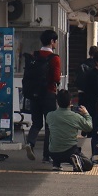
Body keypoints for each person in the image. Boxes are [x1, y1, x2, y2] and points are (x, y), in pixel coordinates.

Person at [24, 29, 62, 161]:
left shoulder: (33, 55)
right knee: (49, 125)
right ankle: (47, 155)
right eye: (56, 41)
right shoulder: (54, 58)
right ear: (52, 41)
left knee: (36, 123)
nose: (56, 43)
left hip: (34, 94)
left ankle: (30, 143)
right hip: (48, 94)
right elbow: (56, 78)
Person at [44, 90, 92, 171]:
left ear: (57, 102)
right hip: (69, 151)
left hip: (53, 152)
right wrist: (86, 114)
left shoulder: (50, 115)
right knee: (89, 164)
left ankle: (56, 164)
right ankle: (75, 159)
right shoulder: (75, 116)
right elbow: (89, 127)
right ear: (70, 102)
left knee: (55, 138)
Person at [78, 49, 98, 163]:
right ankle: (95, 155)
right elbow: (89, 93)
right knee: (97, 131)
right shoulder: (91, 75)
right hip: (95, 108)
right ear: (96, 62)